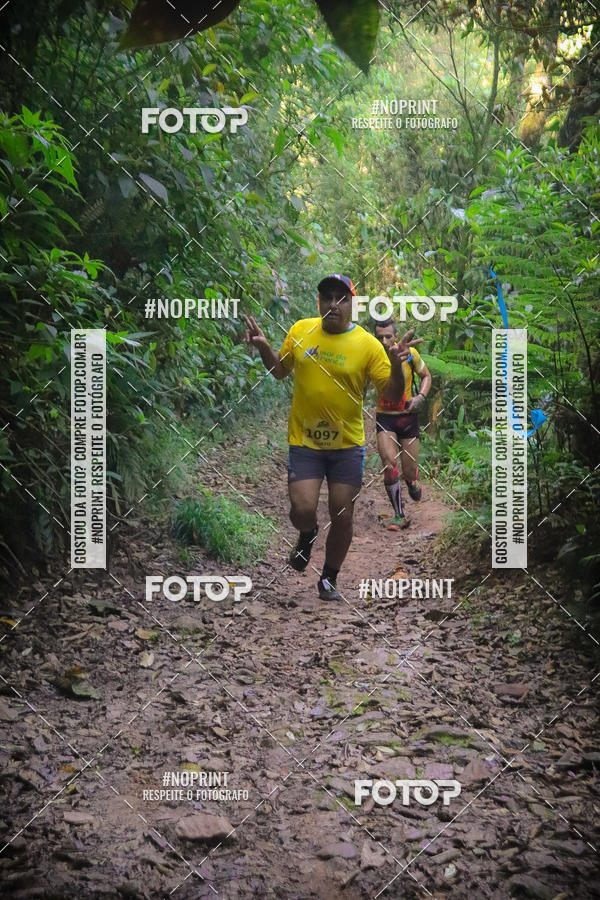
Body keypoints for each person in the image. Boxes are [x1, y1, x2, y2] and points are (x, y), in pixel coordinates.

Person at [242, 274, 416, 601]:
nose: (334, 304)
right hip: (305, 442)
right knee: (302, 509)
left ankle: (329, 578)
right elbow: (280, 371)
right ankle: (307, 535)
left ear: (353, 304)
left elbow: (391, 394)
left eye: (342, 298)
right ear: (318, 302)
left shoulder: (366, 344)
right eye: (327, 297)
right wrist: (265, 347)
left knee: (342, 512)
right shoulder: (300, 330)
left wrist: (395, 365)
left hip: (346, 446)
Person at [373, 318, 432, 531]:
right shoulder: (373, 356)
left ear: (396, 336)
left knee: (409, 472)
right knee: (389, 464)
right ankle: (399, 515)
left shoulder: (410, 355)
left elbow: (426, 376)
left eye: (388, 336)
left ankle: (412, 482)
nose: (384, 340)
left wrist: (421, 397)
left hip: (407, 416)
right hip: (385, 416)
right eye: (379, 337)